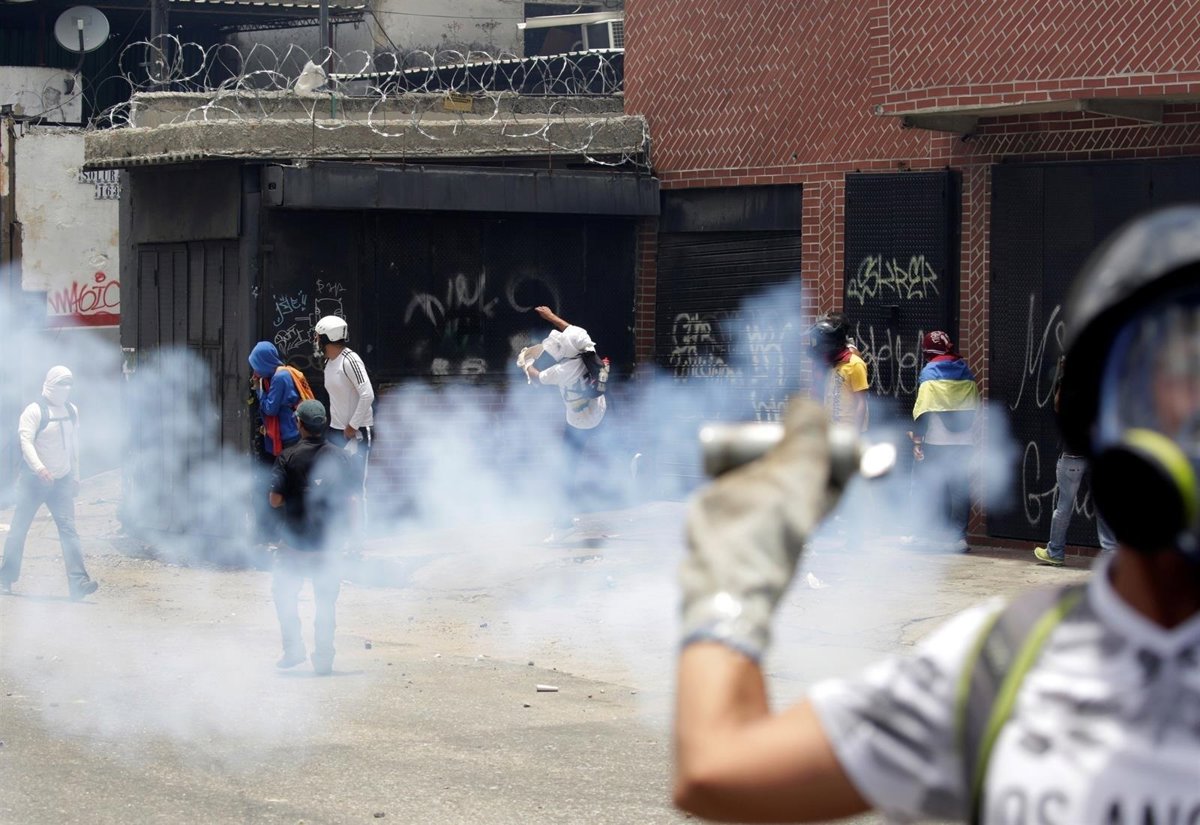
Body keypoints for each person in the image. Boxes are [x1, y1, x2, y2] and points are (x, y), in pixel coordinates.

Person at [673, 206, 1200, 824]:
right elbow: (718, 773)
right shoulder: (999, 666)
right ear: (1090, 415)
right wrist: (737, 573)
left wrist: (730, 572)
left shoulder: (997, 659)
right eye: (1170, 374)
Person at [268, 399, 356, 675]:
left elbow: (274, 500)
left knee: (284, 594)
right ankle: (324, 659)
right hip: (328, 546)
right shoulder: (342, 458)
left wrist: (296, 497)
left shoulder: (288, 457)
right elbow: (351, 501)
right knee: (325, 604)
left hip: (294, 546)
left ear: (300, 424)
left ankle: (293, 650)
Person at [0, 366, 98, 600]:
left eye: (69, 384)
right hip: (33, 482)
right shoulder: (34, 411)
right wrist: (40, 468)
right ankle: (5, 578)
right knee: (19, 530)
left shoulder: (71, 410)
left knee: (69, 531)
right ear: (50, 384)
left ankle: (78, 583)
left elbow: (74, 445)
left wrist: (76, 476)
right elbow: (26, 443)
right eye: (61, 383)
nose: (65, 389)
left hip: (62, 481)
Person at [520, 305, 607, 539]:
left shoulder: (559, 371)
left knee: (564, 471)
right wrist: (550, 316)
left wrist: (526, 363)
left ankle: (563, 525)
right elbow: (568, 328)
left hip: (579, 424)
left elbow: (536, 377)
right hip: (600, 410)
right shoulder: (584, 343)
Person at [1034, 355, 1117, 566]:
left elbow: (1058, 407)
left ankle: (1055, 552)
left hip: (1073, 455)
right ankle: (1111, 556)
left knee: (1064, 506)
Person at [910, 330, 980, 552]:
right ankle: (958, 538)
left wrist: (918, 440)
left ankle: (928, 535)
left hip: (936, 440)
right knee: (960, 489)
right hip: (964, 440)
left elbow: (923, 409)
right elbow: (975, 406)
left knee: (931, 486)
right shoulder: (966, 371)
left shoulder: (929, 372)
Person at [313, 315, 375, 504]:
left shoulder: (350, 360)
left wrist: (352, 426)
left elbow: (367, 394)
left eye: (318, 337)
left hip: (356, 431)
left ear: (327, 338)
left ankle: (361, 523)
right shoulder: (329, 363)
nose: (316, 341)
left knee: (356, 486)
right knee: (331, 481)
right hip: (336, 430)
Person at [809, 314, 868, 432]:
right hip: (831, 427)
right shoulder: (830, 363)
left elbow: (861, 401)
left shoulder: (854, 363)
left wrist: (855, 433)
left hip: (848, 428)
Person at [248, 341, 303, 459]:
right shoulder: (281, 372)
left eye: (257, 366)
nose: (255, 372)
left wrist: (259, 390)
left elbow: (270, 409)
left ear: (264, 363)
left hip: (288, 435)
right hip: (291, 431)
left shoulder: (279, 378)